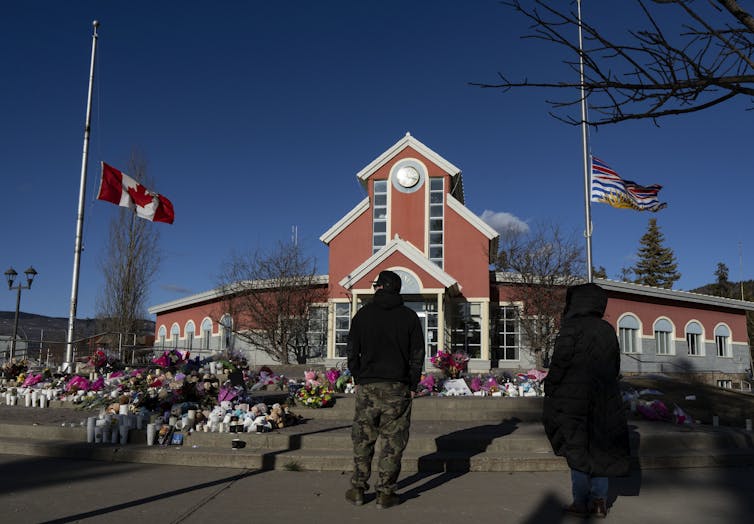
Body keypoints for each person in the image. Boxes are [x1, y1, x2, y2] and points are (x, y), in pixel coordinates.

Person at [543, 283, 630, 519]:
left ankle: (581, 502)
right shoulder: (607, 330)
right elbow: (615, 365)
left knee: (577, 448)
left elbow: (560, 362)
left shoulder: (571, 327)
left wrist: (550, 386)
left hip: (573, 399)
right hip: (604, 397)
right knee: (601, 448)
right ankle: (600, 501)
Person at [345, 270, 425, 509]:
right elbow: (417, 355)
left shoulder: (362, 316)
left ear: (380, 287)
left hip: (368, 386)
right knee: (393, 442)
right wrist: (412, 384)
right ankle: (385, 493)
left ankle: (358, 488)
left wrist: (359, 376)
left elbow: (351, 352)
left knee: (363, 439)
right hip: (397, 388)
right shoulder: (409, 317)